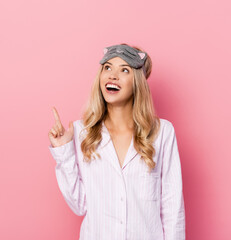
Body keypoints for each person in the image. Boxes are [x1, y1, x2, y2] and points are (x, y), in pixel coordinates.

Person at [48, 43, 185, 240]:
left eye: (124, 70)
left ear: (137, 82)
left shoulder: (162, 132)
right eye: (108, 68)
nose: (113, 75)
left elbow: (173, 207)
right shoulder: (81, 132)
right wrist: (63, 153)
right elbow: (79, 206)